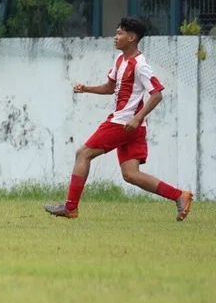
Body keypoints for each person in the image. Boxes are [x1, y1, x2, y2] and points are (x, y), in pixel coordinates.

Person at [45, 16, 193, 221]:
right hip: (130, 125)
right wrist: (86, 88)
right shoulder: (120, 60)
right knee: (131, 174)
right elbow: (110, 87)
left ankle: (70, 207)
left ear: (132, 37)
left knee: (83, 154)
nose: (115, 37)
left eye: (120, 33)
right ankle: (180, 196)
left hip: (123, 122)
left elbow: (157, 94)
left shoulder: (140, 65)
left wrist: (137, 118)